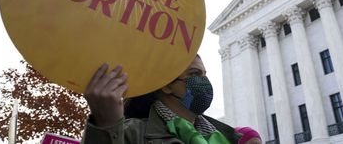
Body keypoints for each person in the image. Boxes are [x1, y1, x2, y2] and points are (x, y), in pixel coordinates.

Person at [81, 54, 244, 143]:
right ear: (166, 85)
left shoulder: (227, 137)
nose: (205, 82)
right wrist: (105, 127)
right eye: (194, 74)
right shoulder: (130, 134)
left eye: (204, 75)